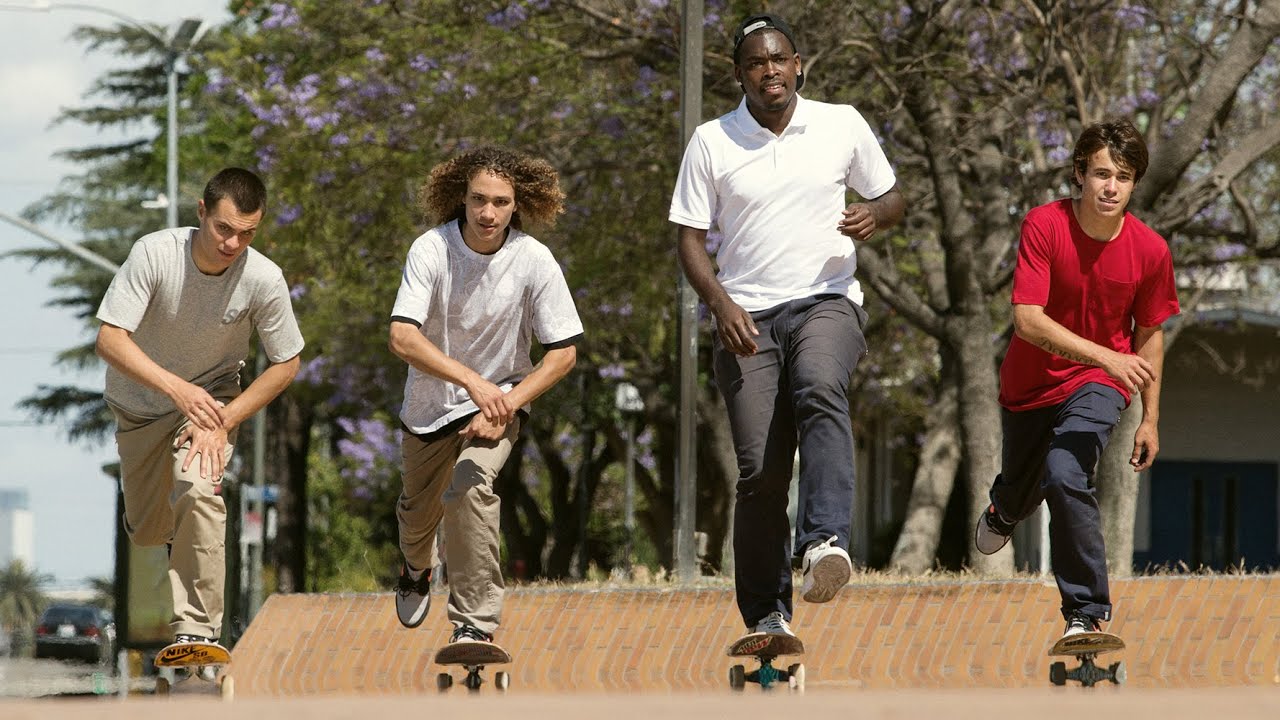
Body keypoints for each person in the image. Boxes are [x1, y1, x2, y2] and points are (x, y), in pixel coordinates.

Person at [669, 13, 905, 639]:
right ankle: (768, 615)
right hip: (747, 317)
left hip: (827, 298)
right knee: (761, 472)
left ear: (799, 65)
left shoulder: (840, 123)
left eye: (779, 59)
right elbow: (689, 238)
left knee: (820, 386)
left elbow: (893, 197)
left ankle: (825, 540)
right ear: (739, 74)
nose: (769, 70)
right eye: (755, 62)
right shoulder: (712, 141)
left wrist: (874, 213)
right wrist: (720, 304)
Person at [975, 119, 1179, 639]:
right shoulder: (1044, 225)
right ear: (1080, 173)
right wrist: (1109, 357)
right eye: (1102, 174)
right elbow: (1028, 320)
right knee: (1020, 491)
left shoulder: (1151, 250)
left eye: (1124, 178)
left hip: (1099, 386)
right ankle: (1005, 509)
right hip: (1029, 386)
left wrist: (1150, 418)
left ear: (1134, 184)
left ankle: (1085, 613)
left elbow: (1149, 334)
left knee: (1066, 473)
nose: (1111, 187)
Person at [96, 167, 304, 647]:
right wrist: (177, 390)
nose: (233, 244)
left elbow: (287, 362)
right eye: (224, 229)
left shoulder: (263, 278)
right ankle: (171, 533)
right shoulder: (155, 254)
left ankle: (197, 630)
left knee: (197, 486)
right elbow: (109, 339)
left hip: (212, 402)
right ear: (202, 212)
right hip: (140, 408)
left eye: (247, 233)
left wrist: (225, 418)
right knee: (148, 532)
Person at [388, 146, 582, 644]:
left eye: (500, 202)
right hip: (430, 408)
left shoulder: (534, 260)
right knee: (417, 520)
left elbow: (562, 354)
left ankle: (474, 625)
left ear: (518, 204)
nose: (488, 213)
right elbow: (403, 337)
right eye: (479, 199)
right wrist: (472, 382)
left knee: (470, 488)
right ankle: (416, 568)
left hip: (499, 406)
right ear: (463, 197)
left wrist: (506, 403)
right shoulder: (432, 249)